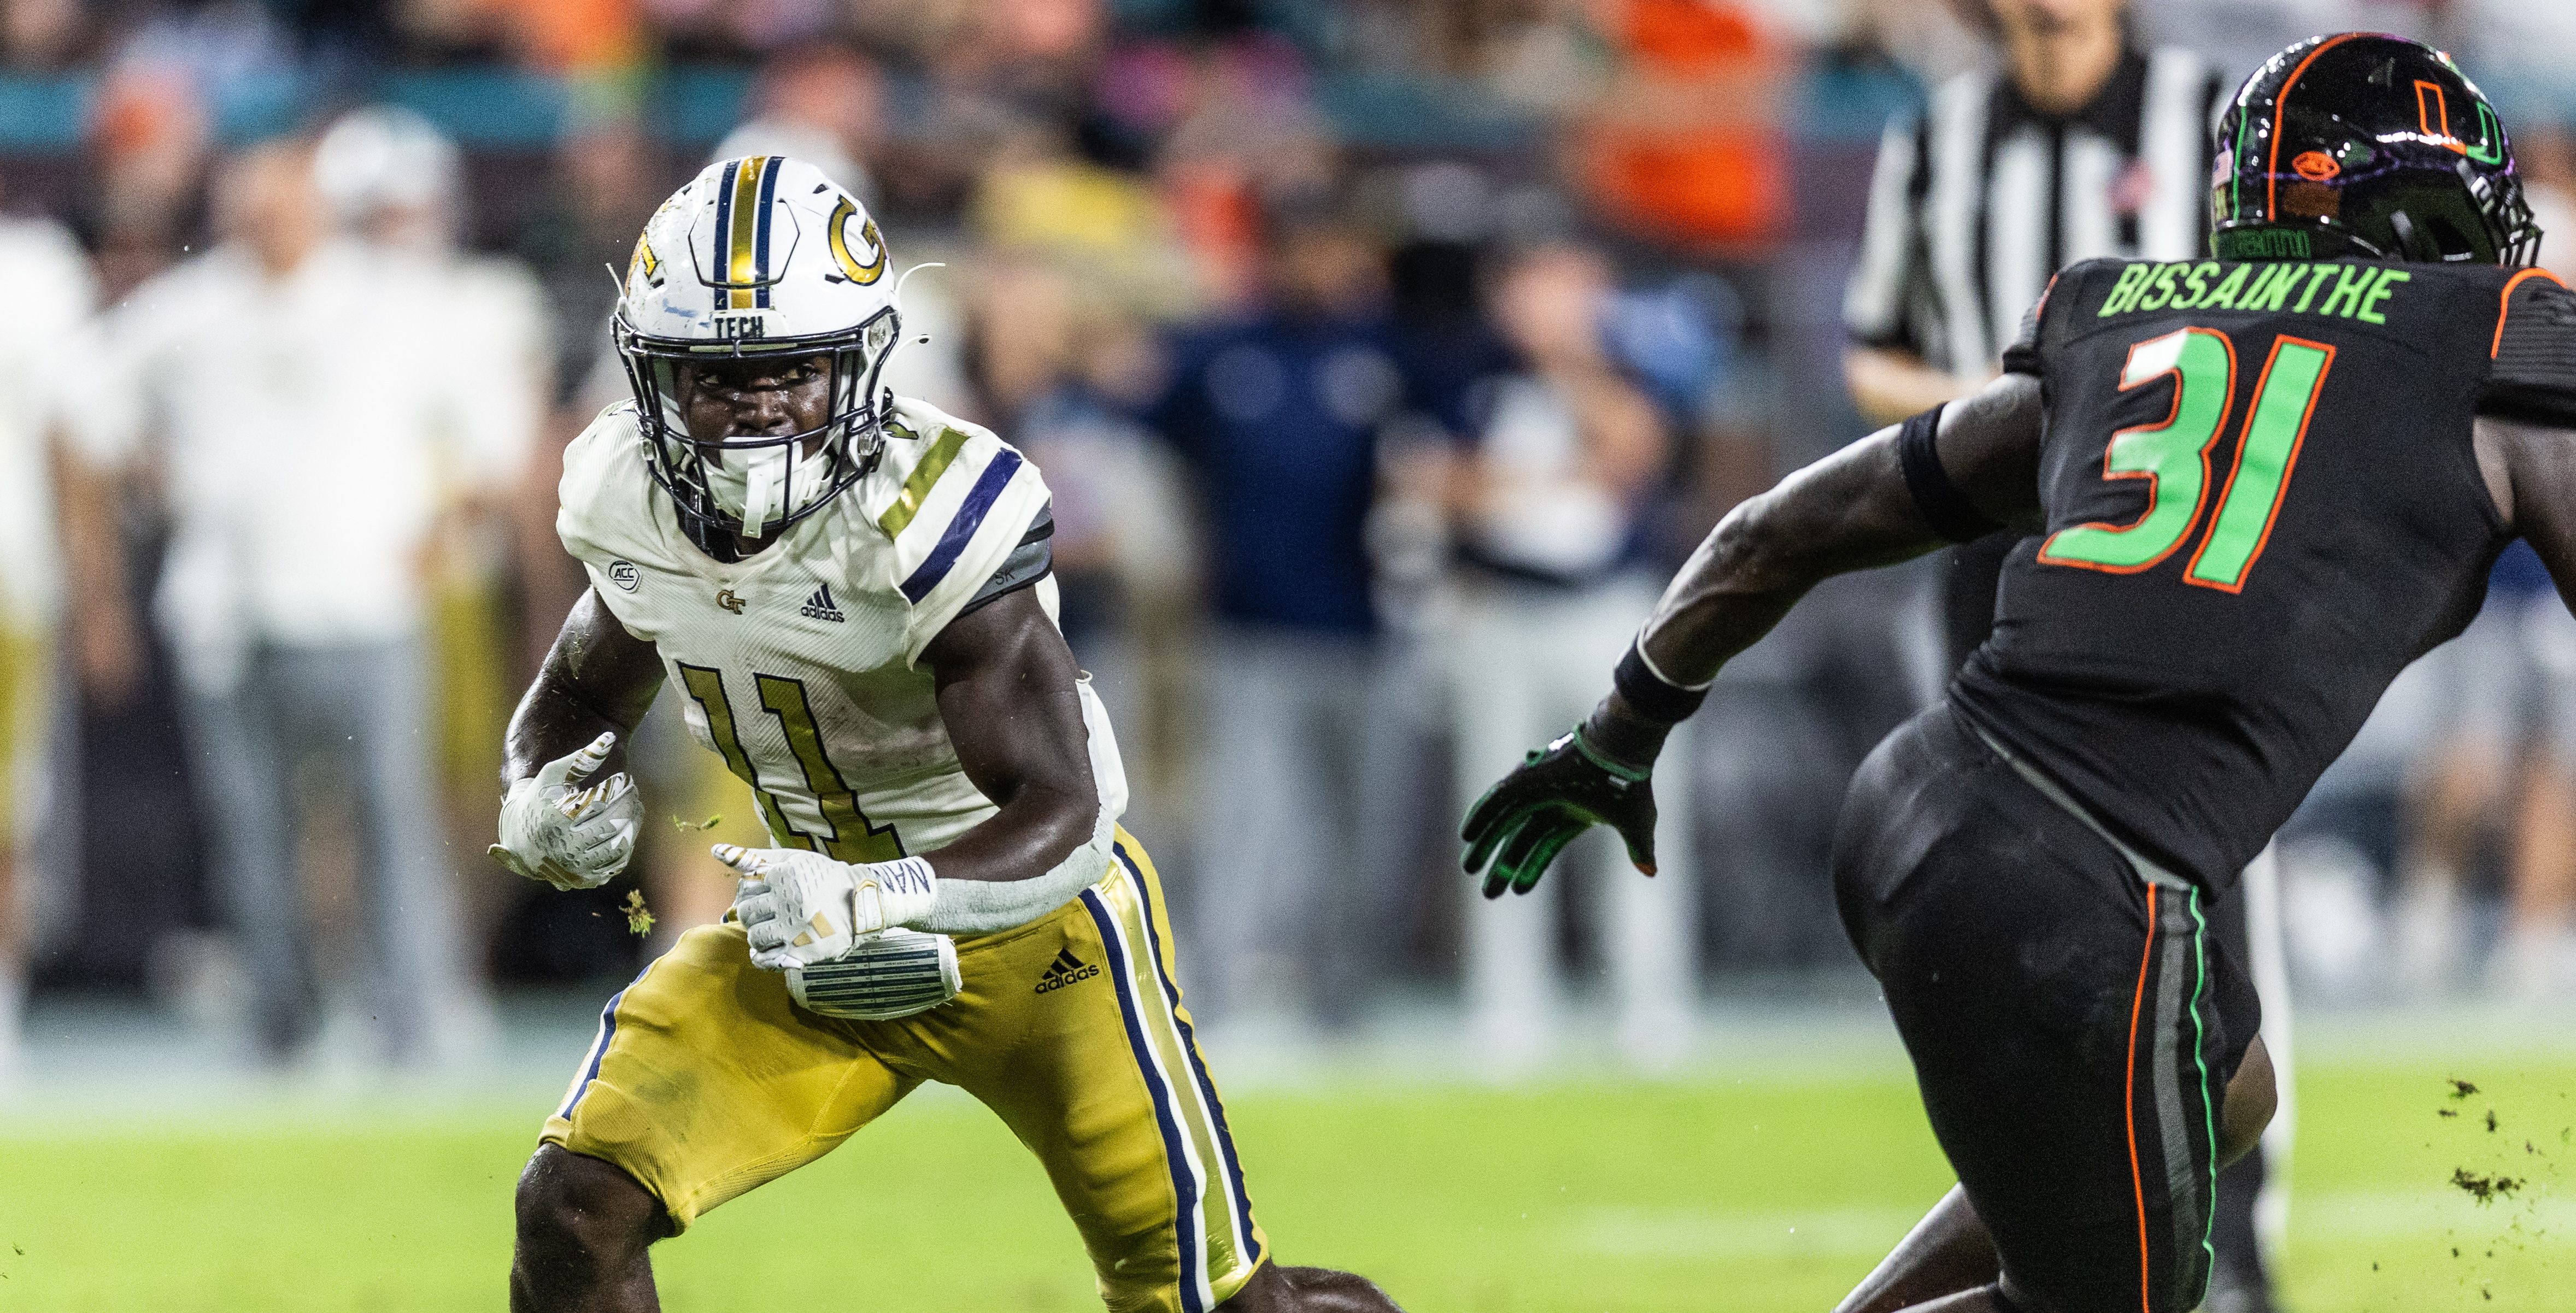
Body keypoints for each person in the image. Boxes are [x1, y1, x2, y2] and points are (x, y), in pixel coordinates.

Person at [1465, 34, 2572, 1313]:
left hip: (1916, 803)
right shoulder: (2492, 339)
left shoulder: (2117, 315)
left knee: (2225, 1093)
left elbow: (1776, 529)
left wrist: (1617, 732)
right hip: (2086, 877)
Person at [494, 155, 1402, 1313]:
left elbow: (1065, 815)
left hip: (1031, 936)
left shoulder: (929, 514)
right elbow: (583, 680)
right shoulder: (626, 493)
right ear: (656, 378)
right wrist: (536, 784)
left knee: (1222, 1304)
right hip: (805, 929)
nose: (758, 405)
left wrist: (875, 897)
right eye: (718, 376)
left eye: (792, 371)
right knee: (575, 1198)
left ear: (861, 362)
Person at [1844, 4, 2287, 1305]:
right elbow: (1872, 347)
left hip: (2175, 547)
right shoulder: (1936, 136)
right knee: (2005, 881)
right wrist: (2005, 418)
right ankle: (2052, 1221)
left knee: (2200, 893)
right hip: (1996, 544)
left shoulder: (2212, 115)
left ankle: (2231, 1245)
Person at [67, 139, 492, 1067]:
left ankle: (409, 1018)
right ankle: (283, 1023)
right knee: (253, 827)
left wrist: (434, 536)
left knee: (391, 815)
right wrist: (138, 496)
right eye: (252, 208)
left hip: (367, 601)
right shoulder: (190, 310)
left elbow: (479, 432)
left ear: (318, 209)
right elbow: (87, 410)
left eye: (284, 206)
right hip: (228, 608)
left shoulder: (391, 305)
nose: (268, 224)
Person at [1141, 198, 1413, 1032]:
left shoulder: (1382, 349)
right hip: (1246, 631)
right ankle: (1216, 998)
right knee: (1245, 829)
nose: (1322, 265)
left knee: (1366, 832)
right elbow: (1142, 429)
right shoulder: (1222, 350)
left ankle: (1347, 1002)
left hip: (1362, 628)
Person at [1442, 243, 1695, 1073]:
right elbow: (1439, 485)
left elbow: (1632, 451)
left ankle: (1647, 1003)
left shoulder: (1634, 363)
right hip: (1500, 609)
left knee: (1633, 803)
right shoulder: (1468, 376)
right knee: (1495, 806)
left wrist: (1571, 368)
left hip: (1607, 616)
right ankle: (1508, 1008)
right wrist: (1539, 480)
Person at [0, 201, 96, 1078]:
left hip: (9, 584)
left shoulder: (31, 268)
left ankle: (3, 1008)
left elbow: (69, 440)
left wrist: (95, 590)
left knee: (9, 815)